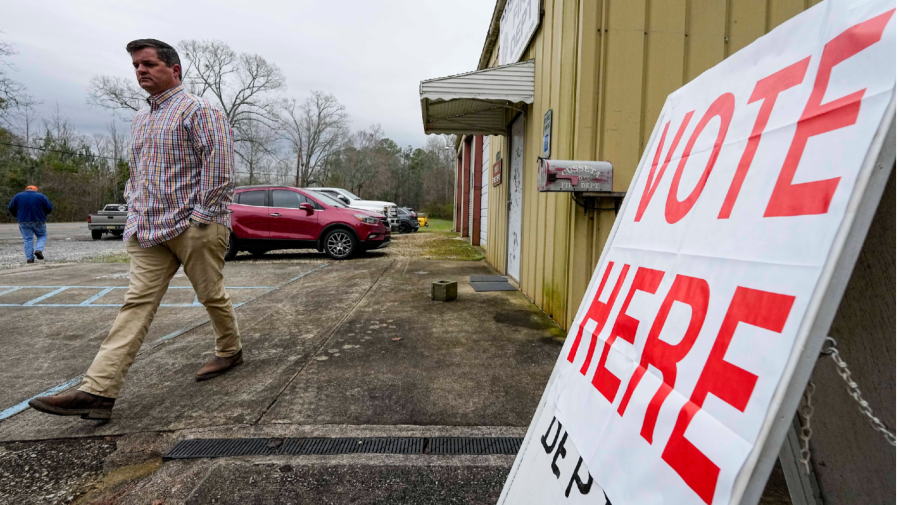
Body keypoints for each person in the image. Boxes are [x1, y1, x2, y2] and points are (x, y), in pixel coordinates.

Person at [29, 39, 243, 421]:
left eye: (148, 64)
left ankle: (230, 350)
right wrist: (133, 207)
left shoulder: (200, 111)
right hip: (147, 229)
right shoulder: (141, 120)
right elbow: (137, 173)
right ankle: (98, 392)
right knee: (136, 304)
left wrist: (200, 217)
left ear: (174, 70)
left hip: (194, 226)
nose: (140, 70)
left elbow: (220, 168)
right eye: (136, 66)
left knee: (210, 295)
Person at [7, 185, 53, 264]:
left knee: (27, 239)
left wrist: (17, 215)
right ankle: (38, 250)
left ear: (26, 189)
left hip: (23, 221)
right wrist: (44, 214)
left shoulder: (18, 196)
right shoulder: (41, 196)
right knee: (42, 235)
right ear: (35, 190)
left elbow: (10, 207)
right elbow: (49, 208)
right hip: (39, 220)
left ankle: (29, 259)